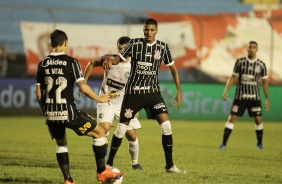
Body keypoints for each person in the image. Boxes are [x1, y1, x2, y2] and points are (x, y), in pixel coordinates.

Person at [35, 29, 123, 184]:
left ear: (51, 44)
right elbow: (83, 87)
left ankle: (68, 180)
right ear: (65, 43)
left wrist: (46, 112)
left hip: (51, 114)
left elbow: (39, 94)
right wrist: (100, 99)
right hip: (69, 113)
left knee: (61, 143)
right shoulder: (71, 62)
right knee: (100, 133)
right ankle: (102, 172)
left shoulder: (42, 63)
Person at [103, 18, 187, 174]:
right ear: (143, 30)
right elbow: (117, 59)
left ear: (156, 31)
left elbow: (173, 70)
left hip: (152, 93)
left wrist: (179, 91)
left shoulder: (162, 47)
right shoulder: (134, 44)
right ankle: (108, 164)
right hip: (133, 93)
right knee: (121, 128)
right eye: (146, 29)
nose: (148, 32)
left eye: (151, 30)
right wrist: (110, 61)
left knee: (166, 126)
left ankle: (170, 166)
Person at [84, 36, 143, 170]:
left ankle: (135, 163)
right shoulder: (108, 59)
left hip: (125, 102)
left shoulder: (135, 65)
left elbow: (137, 86)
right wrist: (84, 82)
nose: (122, 51)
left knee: (131, 134)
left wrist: (136, 106)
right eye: (120, 49)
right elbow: (92, 63)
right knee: (103, 128)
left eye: (125, 49)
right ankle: (103, 154)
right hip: (107, 101)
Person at [219, 41, 270, 150]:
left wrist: (267, 98)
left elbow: (265, 82)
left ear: (257, 49)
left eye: (254, 47)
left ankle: (259, 144)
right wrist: (226, 90)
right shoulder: (240, 62)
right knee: (232, 118)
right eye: (250, 47)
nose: (251, 49)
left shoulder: (261, 65)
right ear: (247, 49)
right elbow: (233, 77)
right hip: (240, 96)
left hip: (254, 97)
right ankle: (223, 144)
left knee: (258, 120)